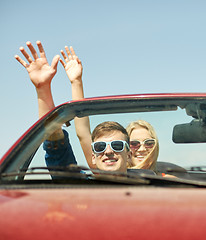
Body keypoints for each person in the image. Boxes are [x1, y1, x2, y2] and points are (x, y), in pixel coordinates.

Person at [15, 41, 131, 173]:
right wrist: (43, 88)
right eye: (100, 147)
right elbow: (56, 144)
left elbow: (82, 133)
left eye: (117, 146)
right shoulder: (79, 186)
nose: (109, 151)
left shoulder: (153, 190)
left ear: (129, 155)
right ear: (93, 157)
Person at [59, 48, 162, 172]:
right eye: (135, 144)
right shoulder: (106, 166)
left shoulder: (172, 179)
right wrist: (76, 82)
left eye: (149, 143)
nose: (142, 149)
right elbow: (83, 133)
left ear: (156, 146)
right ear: (127, 149)